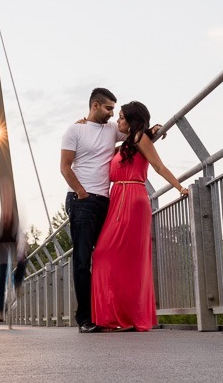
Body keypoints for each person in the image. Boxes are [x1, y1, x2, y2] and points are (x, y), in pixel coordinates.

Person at [91, 100, 188, 332]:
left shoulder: (139, 139)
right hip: (118, 199)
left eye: (122, 117)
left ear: (132, 120)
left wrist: (180, 188)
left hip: (133, 199)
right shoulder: (127, 143)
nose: (118, 120)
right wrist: (85, 122)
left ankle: (127, 317)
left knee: (119, 257)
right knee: (108, 256)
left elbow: (158, 167)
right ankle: (120, 315)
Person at [61, 88, 126, 333]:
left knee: (106, 257)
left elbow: (134, 132)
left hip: (105, 201)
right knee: (82, 259)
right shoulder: (75, 130)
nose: (112, 114)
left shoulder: (112, 130)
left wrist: (153, 129)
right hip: (82, 201)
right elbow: (65, 167)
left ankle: (105, 314)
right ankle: (85, 319)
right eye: (109, 108)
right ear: (95, 105)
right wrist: (81, 192)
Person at [0, 178, 27, 323]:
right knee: (0, 280)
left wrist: (20, 253)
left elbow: (21, 238)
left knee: (23, 260)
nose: (6, 216)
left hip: (13, 248)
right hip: (1, 252)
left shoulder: (15, 225)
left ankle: (18, 283)